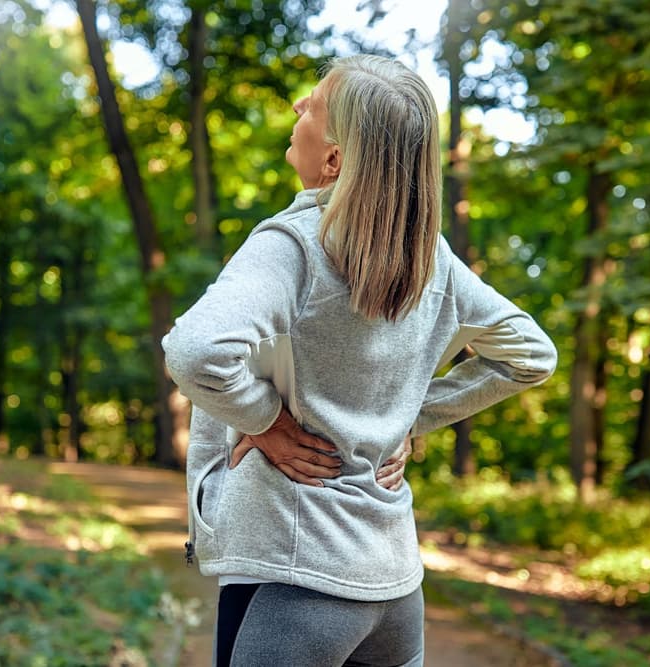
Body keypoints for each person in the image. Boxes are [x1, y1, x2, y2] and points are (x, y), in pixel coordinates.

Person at [162, 54, 557, 667]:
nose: (299, 106)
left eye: (314, 106)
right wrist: (410, 418)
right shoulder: (432, 260)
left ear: (334, 160)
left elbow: (194, 351)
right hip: (394, 592)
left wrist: (265, 420)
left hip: (291, 581)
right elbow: (531, 355)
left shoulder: (292, 248)